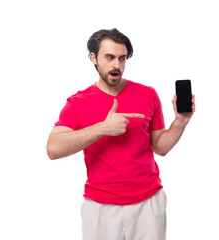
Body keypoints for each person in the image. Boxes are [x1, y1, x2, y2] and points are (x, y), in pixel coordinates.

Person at [47, 28, 195, 240]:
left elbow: (160, 147)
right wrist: (103, 128)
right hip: (100, 208)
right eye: (109, 57)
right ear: (93, 58)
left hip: (148, 204)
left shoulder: (148, 94)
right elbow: (53, 149)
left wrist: (180, 122)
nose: (116, 65)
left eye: (122, 58)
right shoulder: (77, 103)